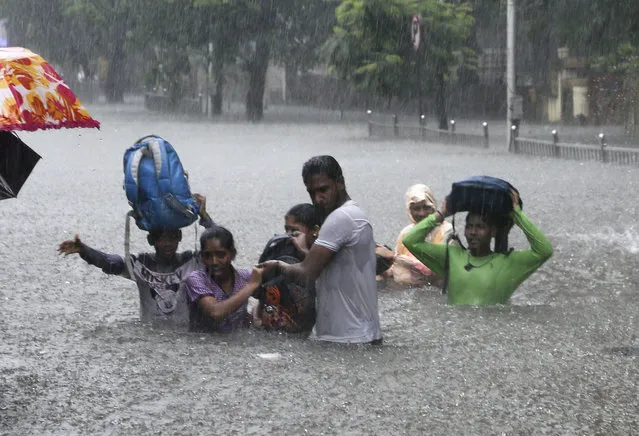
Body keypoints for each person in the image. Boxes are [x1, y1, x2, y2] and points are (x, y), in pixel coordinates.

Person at [259, 155, 382, 344]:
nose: (317, 199)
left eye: (323, 190)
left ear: (340, 183)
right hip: (361, 335)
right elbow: (335, 270)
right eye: (311, 192)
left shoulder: (340, 217)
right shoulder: (355, 214)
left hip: (347, 340)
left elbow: (307, 273)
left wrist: (277, 265)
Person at [57, 194, 214, 325]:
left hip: (184, 334)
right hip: (151, 336)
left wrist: (205, 217)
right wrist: (86, 251)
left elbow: (220, 247)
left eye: (172, 238)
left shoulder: (191, 262)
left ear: (179, 237)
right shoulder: (141, 264)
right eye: (161, 238)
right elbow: (112, 263)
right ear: (151, 240)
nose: (167, 243)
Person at [403, 190, 553, 305]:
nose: (473, 232)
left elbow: (544, 250)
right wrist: (442, 214)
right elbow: (411, 241)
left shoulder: (509, 263)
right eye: (469, 227)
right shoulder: (452, 256)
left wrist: (517, 215)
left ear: (493, 231)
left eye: (480, 227)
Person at [253, 203, 320, 332]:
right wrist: (256, 317)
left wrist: (305, 252)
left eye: (295, 231)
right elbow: (262, 297)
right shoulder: (278, 253)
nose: (288, 236)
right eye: (286, 230)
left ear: (314, 232)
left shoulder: (323, 261)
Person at [185, 226, 264, 332]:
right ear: (201, 257)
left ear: (232, 254)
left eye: (220, 255)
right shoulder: (196, 279)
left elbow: (269, 298)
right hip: (203, 343)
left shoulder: (246, 277)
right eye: (207, 256)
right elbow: (216, 312)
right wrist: (251, 286)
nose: (214, 262)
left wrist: (257, 316)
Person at [376, 184, 453, 288]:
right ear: (409, 210)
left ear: (434, 206)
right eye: (416, 209)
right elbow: (396, 267)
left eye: (426, 207)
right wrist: (381, 263)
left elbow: (436, 271)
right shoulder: (406, 233)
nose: (422, 213)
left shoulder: (447, 231)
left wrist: (393, 257)